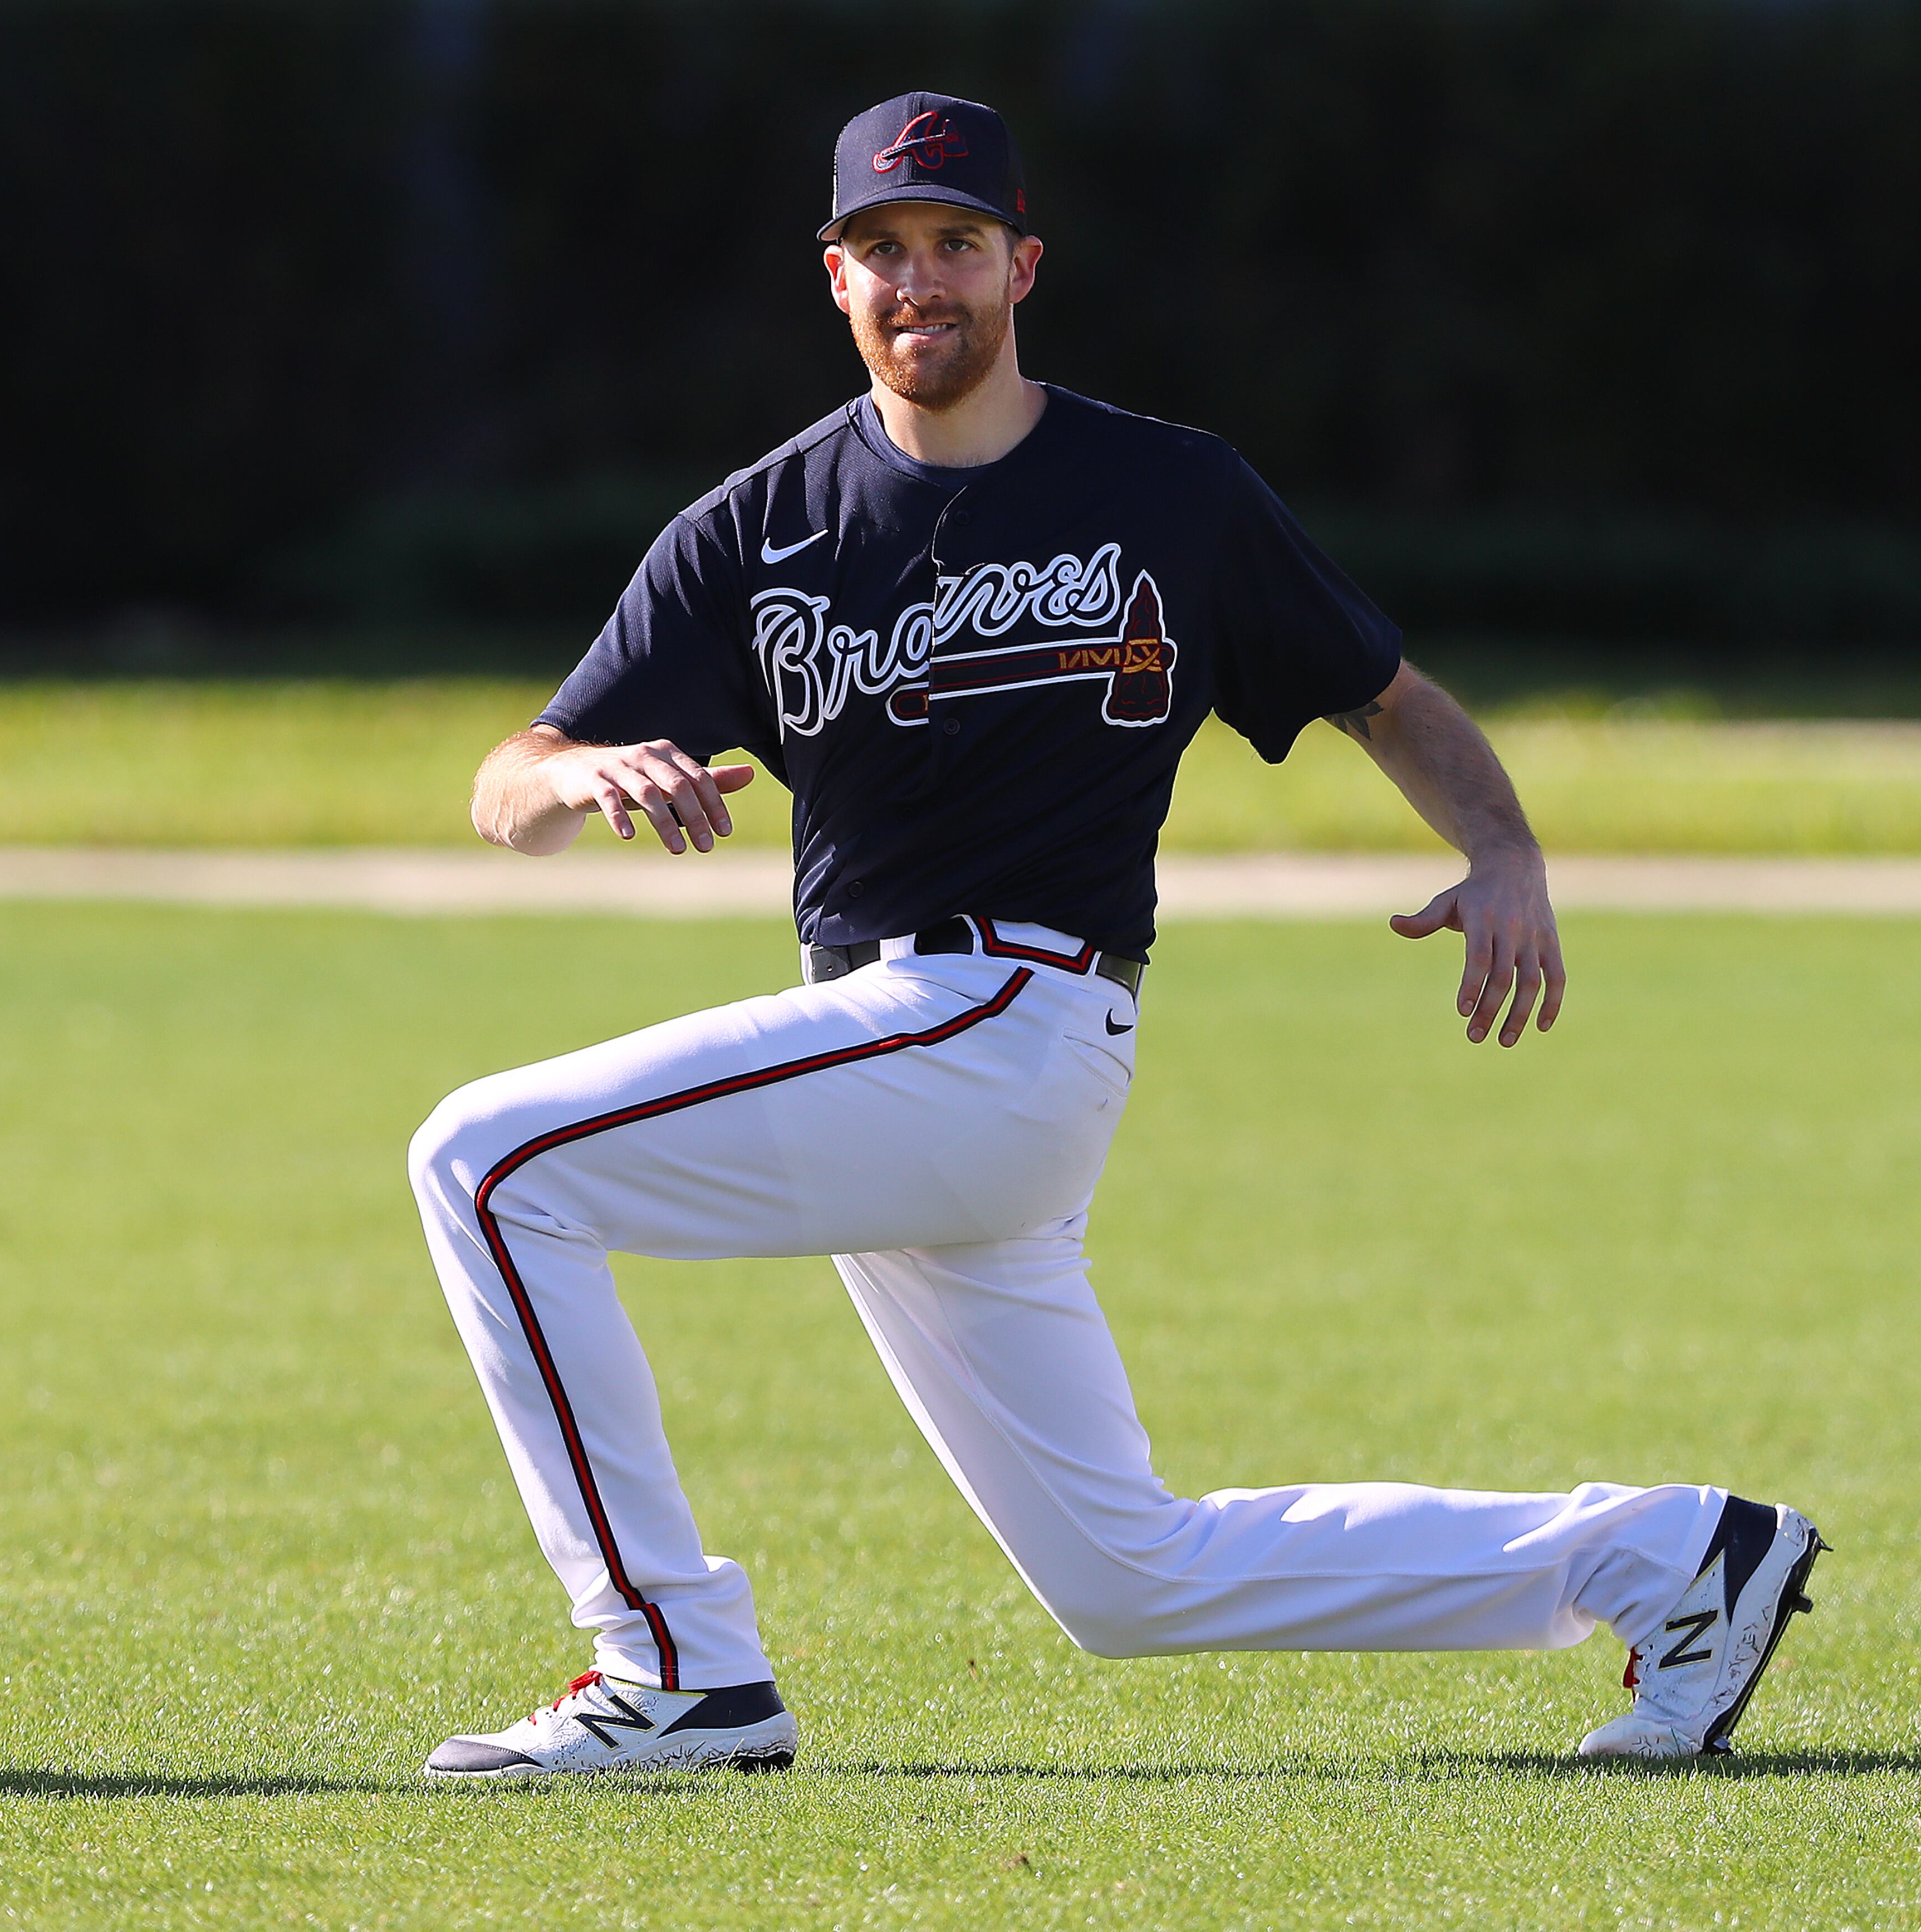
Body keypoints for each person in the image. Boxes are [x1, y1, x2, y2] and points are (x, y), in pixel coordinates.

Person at [408, 92, 1822, 1778]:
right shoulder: (761, 525)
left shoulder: (1168, 492)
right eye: (880, 249)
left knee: (489, 1163)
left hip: (1002, 1022)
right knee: (1124, 1578)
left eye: (954, 243)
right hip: (909, 1048)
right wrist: (577, 773)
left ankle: (676, 1667)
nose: (916, 278)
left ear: (1024, 264)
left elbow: (1378, 694)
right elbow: (511, 773)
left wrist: (1505, 848)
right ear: (835, 279)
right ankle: (1675, 1558)